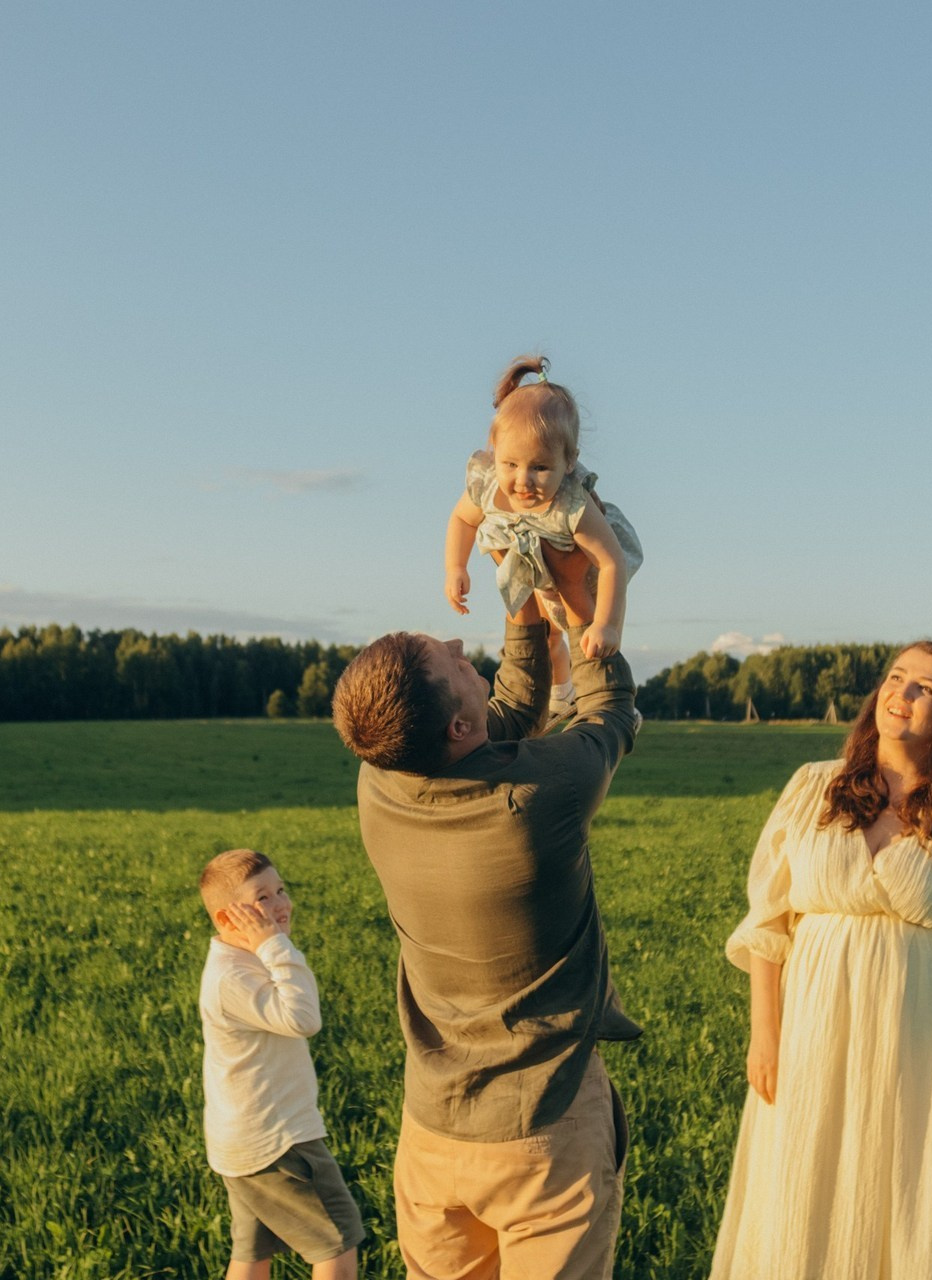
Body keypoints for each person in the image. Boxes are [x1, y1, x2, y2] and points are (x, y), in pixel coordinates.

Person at [332, 585, 641, 1280]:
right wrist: (579, 601)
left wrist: (520, 593)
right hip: (544, 1136)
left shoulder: (380, 781)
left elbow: (503, 716)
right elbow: (611, 711)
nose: (454, 644)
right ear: (455, 729)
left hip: (433, 1133)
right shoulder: (538, 797)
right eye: (448, 659)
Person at [709, 643, 932, 1280]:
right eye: (895, 678)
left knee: (904, 1193)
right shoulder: (813, 786)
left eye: (925, 688)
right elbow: (768, 918)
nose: (901, 693)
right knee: (803, 1180)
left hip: (918, 1041)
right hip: (812, 1028)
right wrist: (765, 1033)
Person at [444, 354, 642, 724]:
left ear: (569, 462)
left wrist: (608, 625)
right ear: (494, 450)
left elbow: (611, 562)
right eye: (510, 464)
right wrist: (456, 567)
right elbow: (462, 519)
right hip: (537, 577)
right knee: (547, 641)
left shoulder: (572, 505)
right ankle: (562, 694)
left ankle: (616, 704)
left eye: (540, 467)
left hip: (586, 583)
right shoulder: (487, 485)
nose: (523, 480)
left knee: (590, 642)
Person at [198, 848, 364, 1280]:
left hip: (245, 1143)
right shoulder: (234, 977)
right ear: (227, 918)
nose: (281, 904)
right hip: (279, 1141)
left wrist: (269, 945)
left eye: (281, 890)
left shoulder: (238, 961)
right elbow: (304, 1019)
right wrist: (276, 945)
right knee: (338, 1242)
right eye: (262, 898)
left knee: (253, 1252)